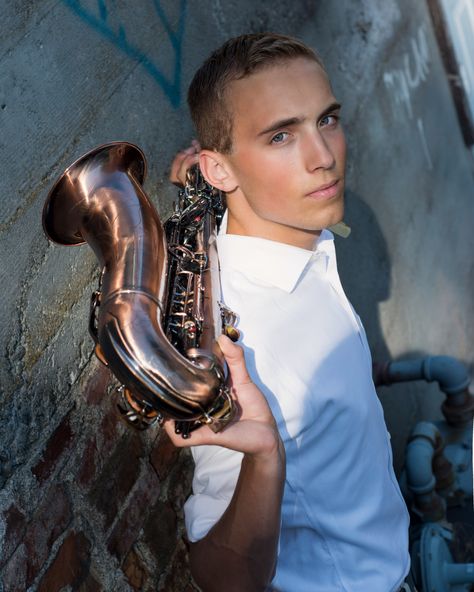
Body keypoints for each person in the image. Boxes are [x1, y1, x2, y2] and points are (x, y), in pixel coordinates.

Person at [164, 33, 412, 592]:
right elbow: (223, 577)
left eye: (327, 120)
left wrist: (209, 181)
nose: (324, 158)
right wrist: (266, 457)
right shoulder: (243, 345)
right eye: (280, 135)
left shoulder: (300, 236)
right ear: (220, 169)